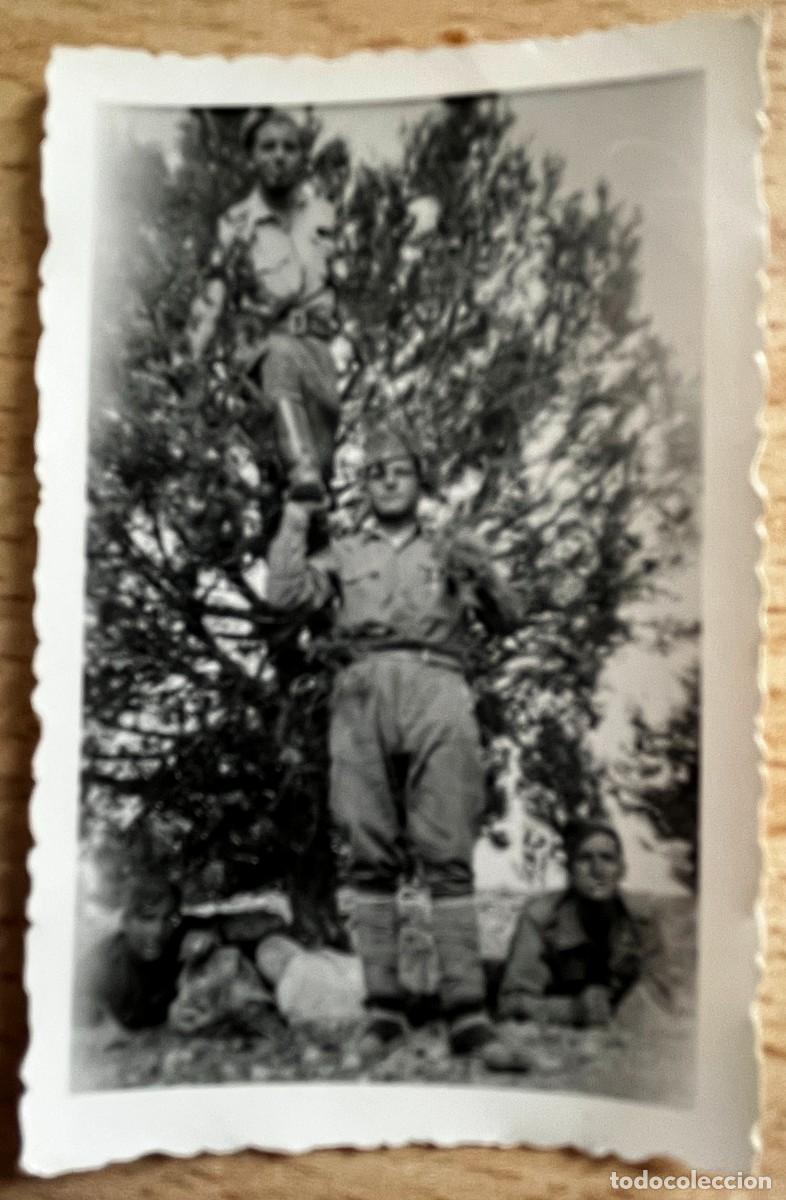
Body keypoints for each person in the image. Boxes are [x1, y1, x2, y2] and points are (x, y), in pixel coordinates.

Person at [266, 425, 523, 1060]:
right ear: (364, 486)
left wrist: (484, 573)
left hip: (439, 683)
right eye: (375, 471)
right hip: (360, 689)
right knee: (367, 849)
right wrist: (296, 520)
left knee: (447, 849)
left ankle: (468, 1015)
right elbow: (284, 594)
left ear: (419, 481)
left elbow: (508, 618)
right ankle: (384, 1010)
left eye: (399, 469)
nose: (386, 479)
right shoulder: (345, 554)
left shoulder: (450, 549)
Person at [182, 108, 341, 501]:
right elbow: (214, 291)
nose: (279, 156)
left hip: (319, 353)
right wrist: (190, 356)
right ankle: (299, 469)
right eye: (268, 147)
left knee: (314, 488)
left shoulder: (324, 214)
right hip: (263, 350)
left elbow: (346, 279)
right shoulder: (235, 224)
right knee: (296, 466)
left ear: (302, 156)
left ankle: (302, 533)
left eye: (289, 147)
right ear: (252, 157)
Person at [495, 819, 660, 1031]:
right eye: (584, 859)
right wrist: (573, 1010)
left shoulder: (642, 919)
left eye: (607, 859)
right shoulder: (540, 918)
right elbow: (511, 1002)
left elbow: (669, 992)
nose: (597, 870)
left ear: (621, 870)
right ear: (569, 870)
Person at [77, 875, 184, 1031]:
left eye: (168, 919)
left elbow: (226, 926)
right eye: (147, 919)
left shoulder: (179, 937)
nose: (158, 931)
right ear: (125, 921)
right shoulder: (99, 967)